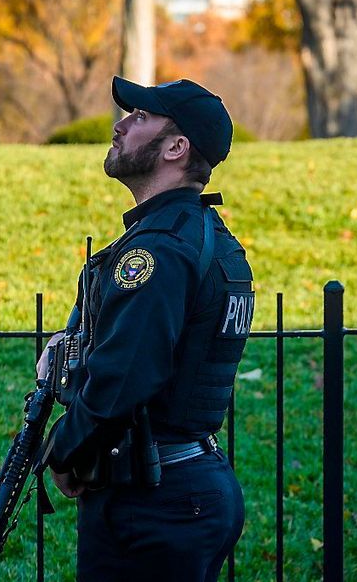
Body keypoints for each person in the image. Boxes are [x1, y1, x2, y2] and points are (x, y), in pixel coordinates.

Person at [36, 76, 255, 582]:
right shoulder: (202, 235)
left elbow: (125, 378)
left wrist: (64, 451)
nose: (120, 125)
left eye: (140, 118)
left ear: (176, 148)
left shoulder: (157, 251)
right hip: (187, 490)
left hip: (157, 504)